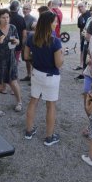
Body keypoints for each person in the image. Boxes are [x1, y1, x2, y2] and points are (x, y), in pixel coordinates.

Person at [24, 11, 63, 146]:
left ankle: (29, 131)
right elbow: (59, 64)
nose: (56, 24)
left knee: (33, 101)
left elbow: (26, 56)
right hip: (51, 76)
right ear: (49, 24)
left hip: (36, 73)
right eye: (55, 22)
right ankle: (49, 137)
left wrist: (37, 59)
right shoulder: (55, 41)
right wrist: (62, 55)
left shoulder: (31, 37)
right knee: (50, 105)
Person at [0, 8, 22, 116]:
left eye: (7, 17)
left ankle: (19, 102)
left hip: (11, 60)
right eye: (3, 17)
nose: (6, 19)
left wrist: (17, 42)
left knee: (13, 82)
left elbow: (17, 41)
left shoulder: (13, 27)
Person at [20, 3, 36, 81]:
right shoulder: (22, 18)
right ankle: (28, 75)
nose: (25, 10)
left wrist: (25, 32)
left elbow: (35, 32)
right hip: (23, 43)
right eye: (24, 8)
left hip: (30, 43)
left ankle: (34, 77)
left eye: (27, 9)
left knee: (32, 60)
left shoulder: (33, 19)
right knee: (26, 60)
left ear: (30, 10)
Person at [75, 2, 92, 70]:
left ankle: (87, 66)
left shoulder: (89, 14)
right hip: (82, 36)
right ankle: (81, 64)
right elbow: (80, 27)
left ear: (85, 6)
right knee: (82, 49)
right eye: (78, 7)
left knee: (88, 50)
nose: (80, 8)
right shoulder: (79, 17)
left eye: (81, 6)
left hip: (89, 36)